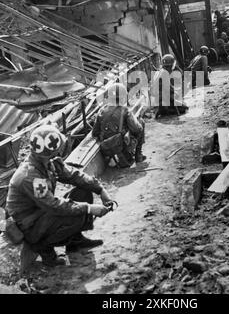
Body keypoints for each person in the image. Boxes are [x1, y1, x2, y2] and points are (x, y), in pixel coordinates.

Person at [6, 124, 114, 267]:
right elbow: (54, 206)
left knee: (83, 192)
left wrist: (100, 189)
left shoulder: (46, 161)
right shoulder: (30, 176)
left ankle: (75, 241)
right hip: (29, 226)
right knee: (77, 213)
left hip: (41, 214)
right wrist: (89, 208)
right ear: (52, 151)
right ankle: (45, 251)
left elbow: (73, 175)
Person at [92, 83, 146, 167]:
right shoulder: (125, 110)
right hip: (122, 146)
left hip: (107, 147)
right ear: (123, 97)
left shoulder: (101, 111)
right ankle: (138, 155)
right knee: (141, 122)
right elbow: (137, 129)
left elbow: (95, 133)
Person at [151, 54, 188, 119]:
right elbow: (169, 89)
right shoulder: (165, 73)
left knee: (179, 102)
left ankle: (162, 111)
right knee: (185, 107)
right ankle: (165, 111)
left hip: (156, 102)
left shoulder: (159, 72)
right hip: (162, 103)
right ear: (172, 65)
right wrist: (175, 93)